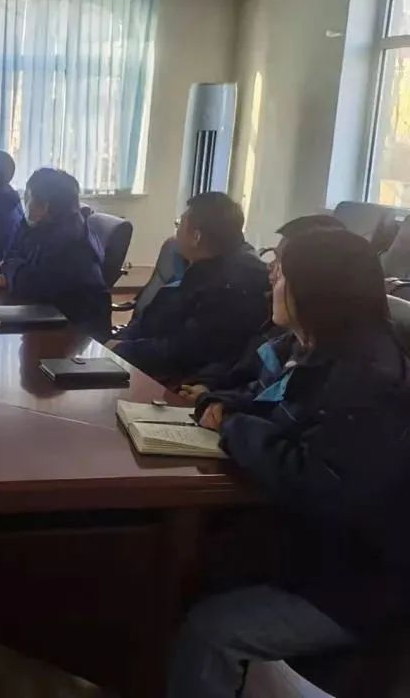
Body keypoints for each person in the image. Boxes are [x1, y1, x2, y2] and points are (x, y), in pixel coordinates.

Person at [169, 228, 410, 698]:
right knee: (171, 572)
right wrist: (225, 404)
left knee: (210, 630)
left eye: (283, 276)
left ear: (316, 291)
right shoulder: (319, 347)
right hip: (303, 549)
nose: (272, 285)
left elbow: (317, 481)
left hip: (350, 585)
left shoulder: (368, 380)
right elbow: (271, 402)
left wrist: (235, 427)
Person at [178, 213, 346, 402]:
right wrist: (210, 389)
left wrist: (220, 402)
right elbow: (241, 364)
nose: (271, 268)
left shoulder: (331, 364)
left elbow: (273, 410)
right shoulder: (277, 322)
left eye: (281, 264)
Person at [108, 192, 270, 382]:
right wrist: (121, 341)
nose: (176, 233)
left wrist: (121, 349)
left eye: (179, 224)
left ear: (196, 237)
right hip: (147, 355)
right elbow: (156, 322)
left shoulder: (230, 285)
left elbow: (183, 350)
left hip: (177, 381)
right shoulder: (205, 266)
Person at [0, 167, 110, 339]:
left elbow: (31, 285)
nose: (25, 203)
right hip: (49, 316)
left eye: (28, 197)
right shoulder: (40, 225)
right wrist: (11, 268)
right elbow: (12, 254)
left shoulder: (70, 240)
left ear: (44, 206)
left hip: (76, 333)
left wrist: (9, 269)